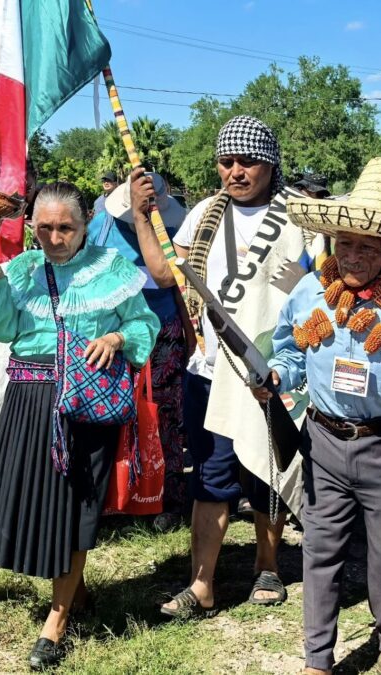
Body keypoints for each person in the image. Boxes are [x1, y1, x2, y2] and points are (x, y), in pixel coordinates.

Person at [257, 157, 381, 675]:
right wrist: (277, 376)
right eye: (344, 243)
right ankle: (317, 658)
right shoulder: (307, 292)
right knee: (319, 552)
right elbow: (290, 355)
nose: (353, 255)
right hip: (323, 441)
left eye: (367, 246)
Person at [0, 182, 160, 671]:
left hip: (85, 405)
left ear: (87, 223)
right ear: (31, 225)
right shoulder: (23, 268)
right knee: (39, 503)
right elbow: (0, 328)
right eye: (44, 227)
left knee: (75, 510)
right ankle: (77, 590)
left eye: (65, 227)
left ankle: (56, 620)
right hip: (29, 402)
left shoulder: (112, 269)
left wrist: (116, 335)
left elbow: (145, 327)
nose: (54, 237)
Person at [132, 115, 308, 617]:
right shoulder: (206, 212)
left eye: (247, 162)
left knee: (266, 472)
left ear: (270, 164)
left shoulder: (298, 216)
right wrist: (145, 216)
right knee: (209, 477)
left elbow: (312, 289)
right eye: (226, 162)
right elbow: (167, 272)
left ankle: (267, 566)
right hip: (209, 370)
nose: (236, 171)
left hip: (267, 370)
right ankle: (201, 585)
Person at [90, 169, 189, 527]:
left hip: (163, 334)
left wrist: (190, 338)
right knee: (112, 416)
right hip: (113, 337)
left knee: (165, 418)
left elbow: (178, 287)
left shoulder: (175, 231)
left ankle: (168, 501)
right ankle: (115, 498)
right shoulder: (100, 228)